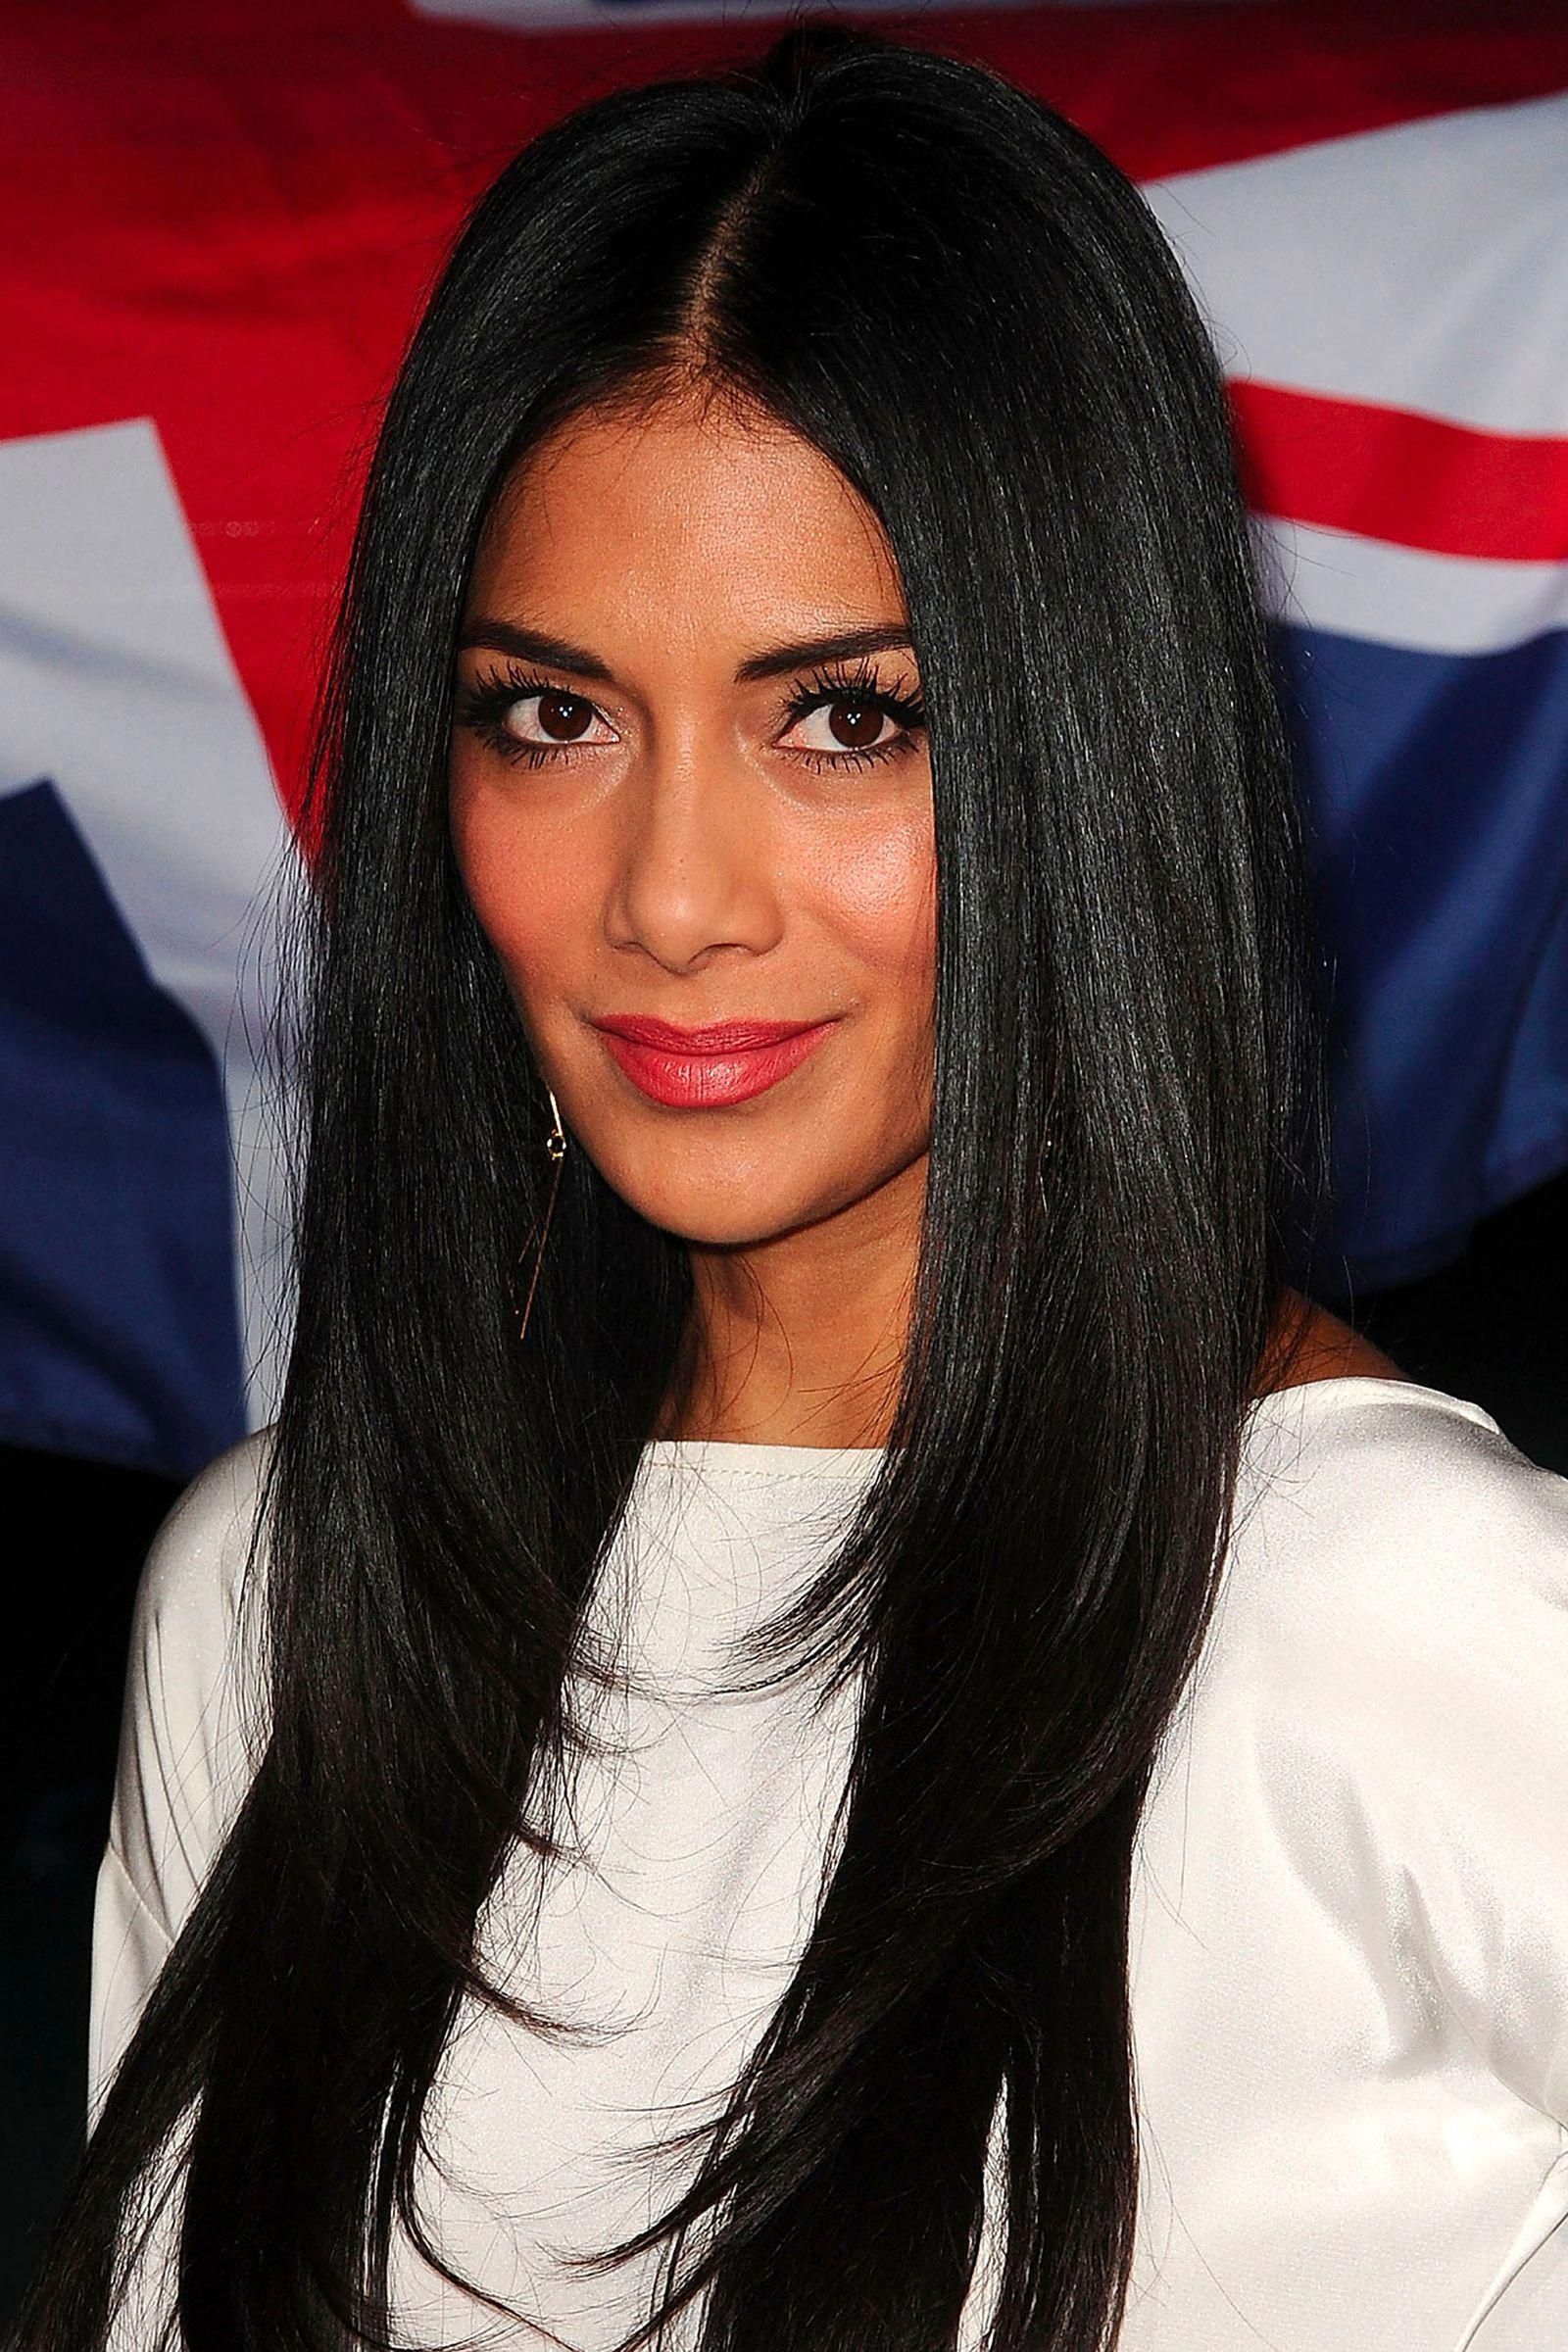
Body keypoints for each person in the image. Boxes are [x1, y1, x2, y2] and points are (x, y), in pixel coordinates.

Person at [19, 25, 1568, 2352]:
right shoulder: (274, 1597)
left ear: (1079, 748)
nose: (669, 897)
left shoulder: (1400, 1616)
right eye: (550, 715)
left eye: (843, 718)